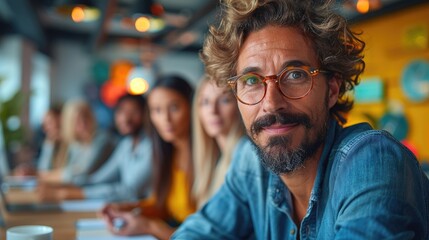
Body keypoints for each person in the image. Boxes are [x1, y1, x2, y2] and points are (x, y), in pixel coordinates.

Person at [172, 0, 429, 239]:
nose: (271, 103)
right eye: (251, 81)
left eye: (295, 75)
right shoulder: (250, 163)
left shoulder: (373, 160)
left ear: (331, 90)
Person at [100, 75, 195, 239]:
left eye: (174, 108)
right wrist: (125, 208)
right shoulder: (168, 154)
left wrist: (150, 226)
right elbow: (161, 205)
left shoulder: (205, 159)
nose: (165, 119)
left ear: (192, 107)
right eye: (157, 110)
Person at [38, 94, 153, 202]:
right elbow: (97, 179)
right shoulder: (126, 144)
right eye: (120, 112)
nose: (126, 119)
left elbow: (130, 191)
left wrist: (70, 193)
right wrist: (64, 189)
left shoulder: (150, 146)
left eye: (134, 112)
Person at [192, 75, 246, 207]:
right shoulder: (215, 160)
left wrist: (155, 228)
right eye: (205, 102)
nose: (213, 111)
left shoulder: (244, 158)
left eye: (224, 100)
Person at [38, 99, 115, 185]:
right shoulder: (78, 144)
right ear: (70, 123)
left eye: (86, 117)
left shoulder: (103, 140)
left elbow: (82, 174)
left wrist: (44, 176)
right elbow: (70, 172)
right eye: (77, 120)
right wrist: (49, 145)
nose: (83, 124)